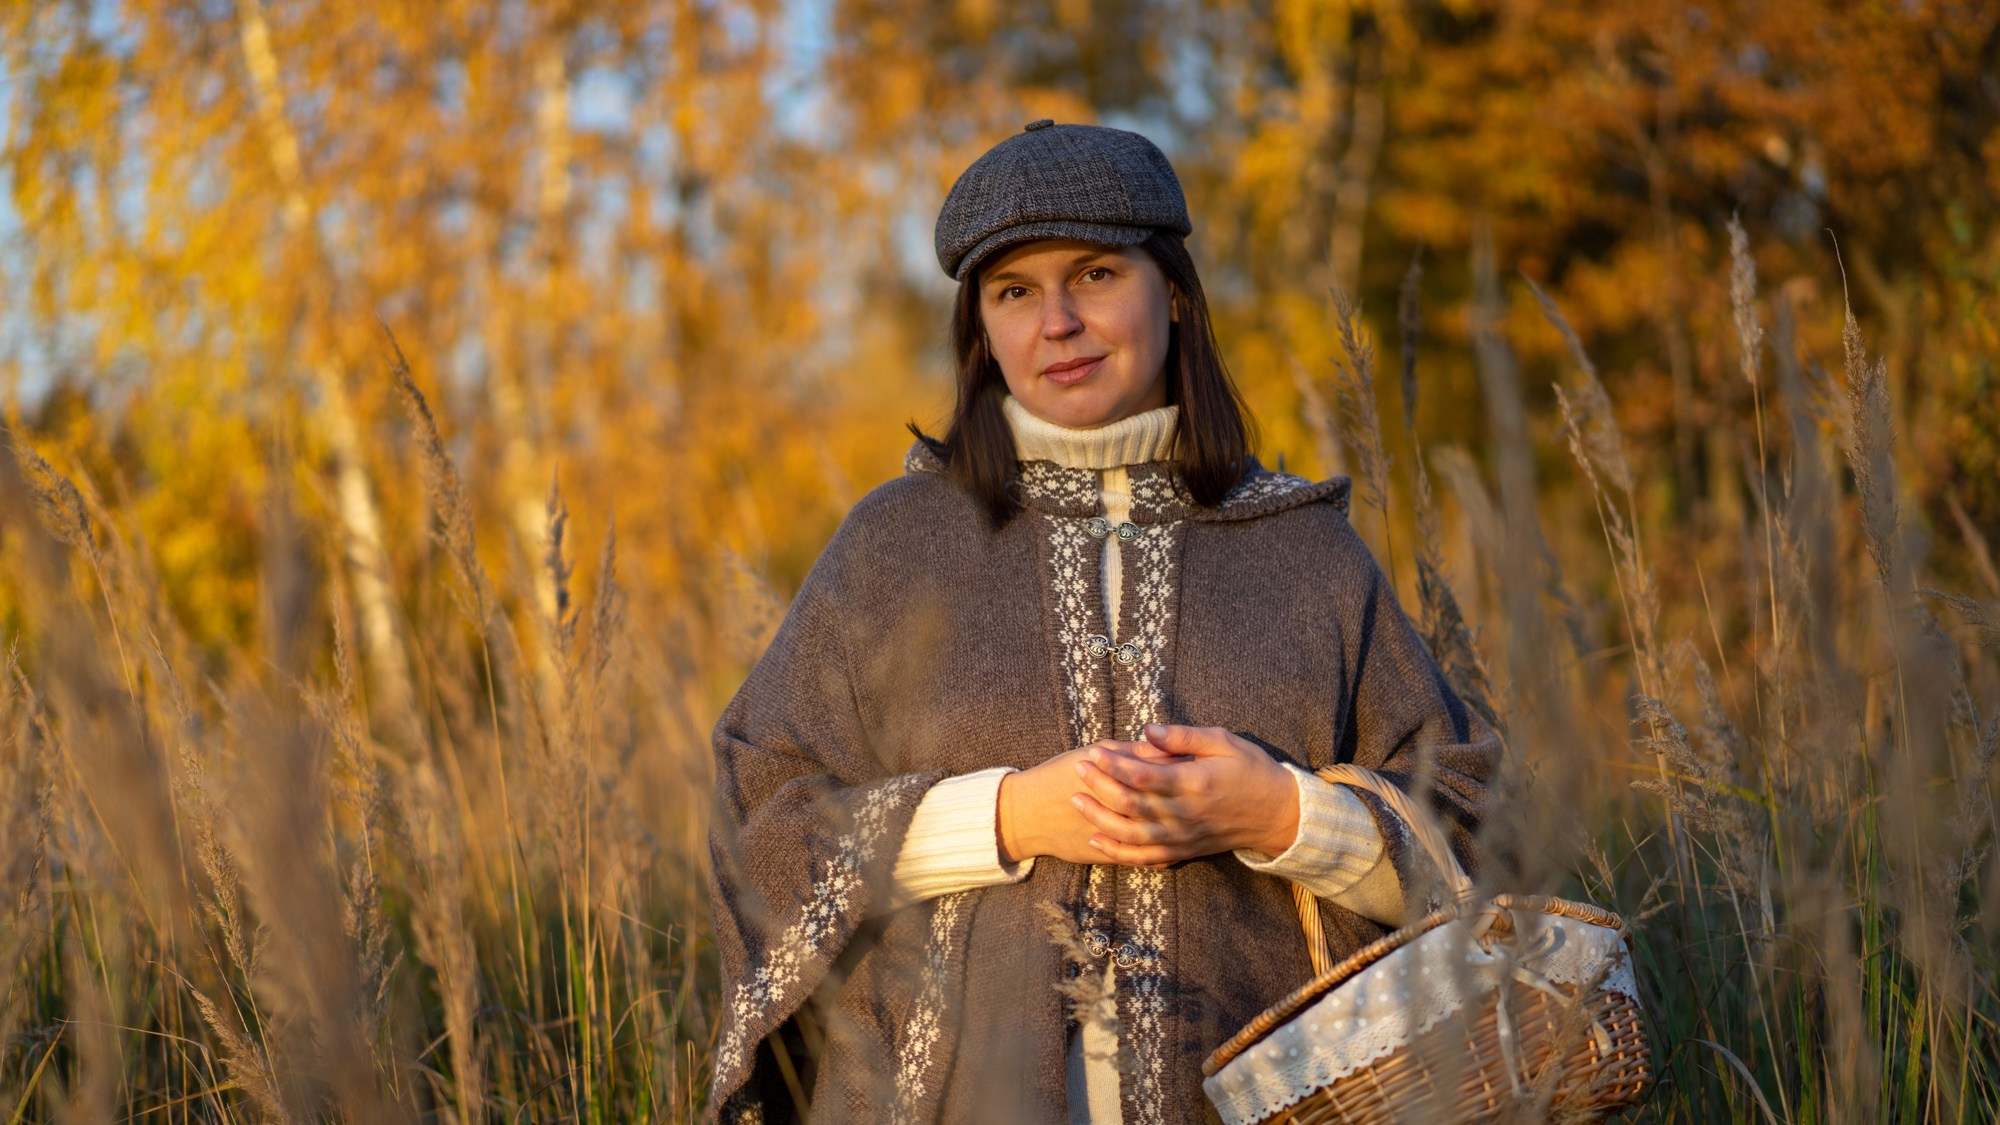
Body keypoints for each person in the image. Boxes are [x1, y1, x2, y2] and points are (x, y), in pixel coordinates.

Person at [707, 119, 1500, 1124]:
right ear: (981, 331)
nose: (1058, 322)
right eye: (1014, 292)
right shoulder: (894, 547)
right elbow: (759, 821)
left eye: (1094, 275)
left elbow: (1481, 832)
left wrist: (1283, 815)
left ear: (1172, 292)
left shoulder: (1305, 551)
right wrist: (1005, 816)